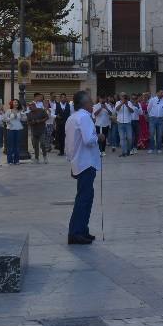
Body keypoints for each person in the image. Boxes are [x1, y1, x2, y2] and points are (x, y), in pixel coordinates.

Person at [64, 90, 100, 245]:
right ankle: (76, 232)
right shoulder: (85, 117)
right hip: (87, 162)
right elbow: (88, 140)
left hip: (79, 161)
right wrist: (99, 136)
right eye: (91, 102)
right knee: (84, 198)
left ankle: (82, 229)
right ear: (85, 104)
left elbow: (68, 143)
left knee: (85, 197)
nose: (93, 105)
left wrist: (71, 162)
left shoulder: (72, 118)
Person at [3, 100, 27, 165]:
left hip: (18, 128)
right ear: (12, 104)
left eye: (17, 102)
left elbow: (24, 119)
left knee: (17, 145)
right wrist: (11, 118)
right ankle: (9, 160)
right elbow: (4, 119)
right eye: (14, 102)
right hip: (10, 128)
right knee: (10, 145)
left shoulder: (20, 111)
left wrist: (23, 113)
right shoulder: (9, 111)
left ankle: (16, 160)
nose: (16, 103)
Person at [27, 95, 49, 163]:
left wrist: (40, 121)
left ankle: (45, 157)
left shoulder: (41, 110)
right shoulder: (29, 114)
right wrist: (32, 122)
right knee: (35, 145)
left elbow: (47, 117)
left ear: (34, 106)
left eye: (31, 106)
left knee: (42, 143)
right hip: (34, 131)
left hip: (41, 130)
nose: (30, 107)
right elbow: (28, 122)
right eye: (29, 107)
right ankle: (37, 158)